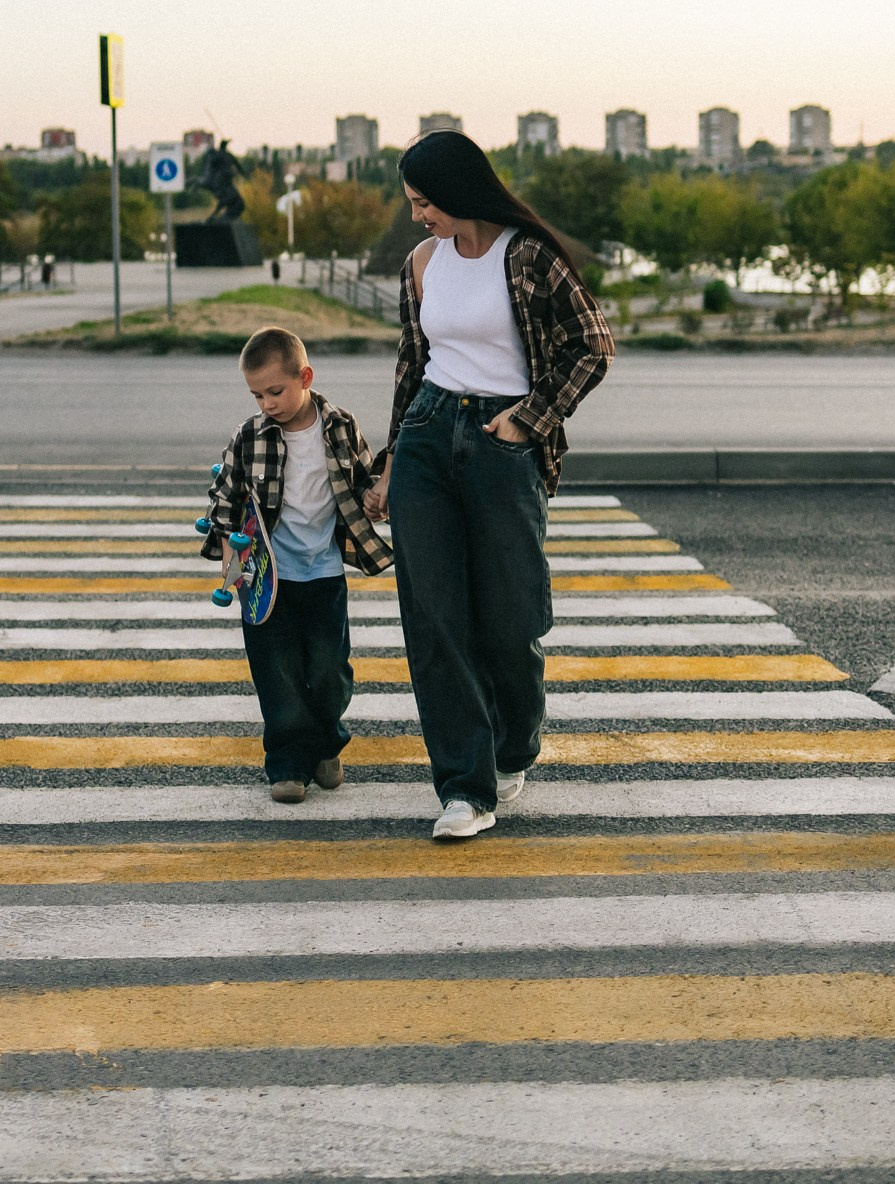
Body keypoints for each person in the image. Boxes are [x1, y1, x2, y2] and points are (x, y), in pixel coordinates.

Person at [363, 130, 614, 839]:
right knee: (435, 620)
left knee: (510, 619)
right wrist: (388, 461)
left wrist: (527, 421)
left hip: (503, 445)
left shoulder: (528, 255)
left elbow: (593, 346)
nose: (418, 217)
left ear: (457, 192)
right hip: (427, 435)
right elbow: (411, 368)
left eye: (424, 203)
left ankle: (513, 745)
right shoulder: (421, 263)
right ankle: (464, 790)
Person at [202, 326, 393, 802]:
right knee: (277, 670)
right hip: (269, 578)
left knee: (329, 669)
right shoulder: (249, 436)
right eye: (257, 394)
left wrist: (377, 498)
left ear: (305, 376)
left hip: (324, 572)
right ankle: (287, 764)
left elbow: (366, 477)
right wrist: (230, 553)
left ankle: (326, 744)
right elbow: (224, 499)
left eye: (275, 391)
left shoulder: (341, 425)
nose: (266, 403)